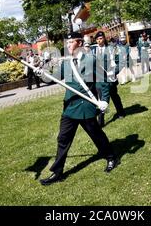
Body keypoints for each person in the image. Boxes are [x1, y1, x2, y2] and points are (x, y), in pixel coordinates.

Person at [39, 32, 118, 185]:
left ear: (80, 43)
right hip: (69, 106)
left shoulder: (91, 60)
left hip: (85, 106)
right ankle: (57, 172)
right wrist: (41, 73)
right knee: (63, 139)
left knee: (96, 135)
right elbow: (53, 77)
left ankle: (111, 157)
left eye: (70, 42)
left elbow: (103, 81)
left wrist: (105, 101)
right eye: (66, 43)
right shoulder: (67, 62)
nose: (67, 45)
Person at [92, 31, 126, 127]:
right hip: (99, 80)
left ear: (104, 39)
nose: (99, 41)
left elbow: (121, 61)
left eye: (101, 38)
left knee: (114, 96)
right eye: (97, 39)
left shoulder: (111, 49)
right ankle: (101, 122)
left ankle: (121, 112)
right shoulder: (93, 51)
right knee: (101, 100)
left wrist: (114, 72)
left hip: (110, 79)